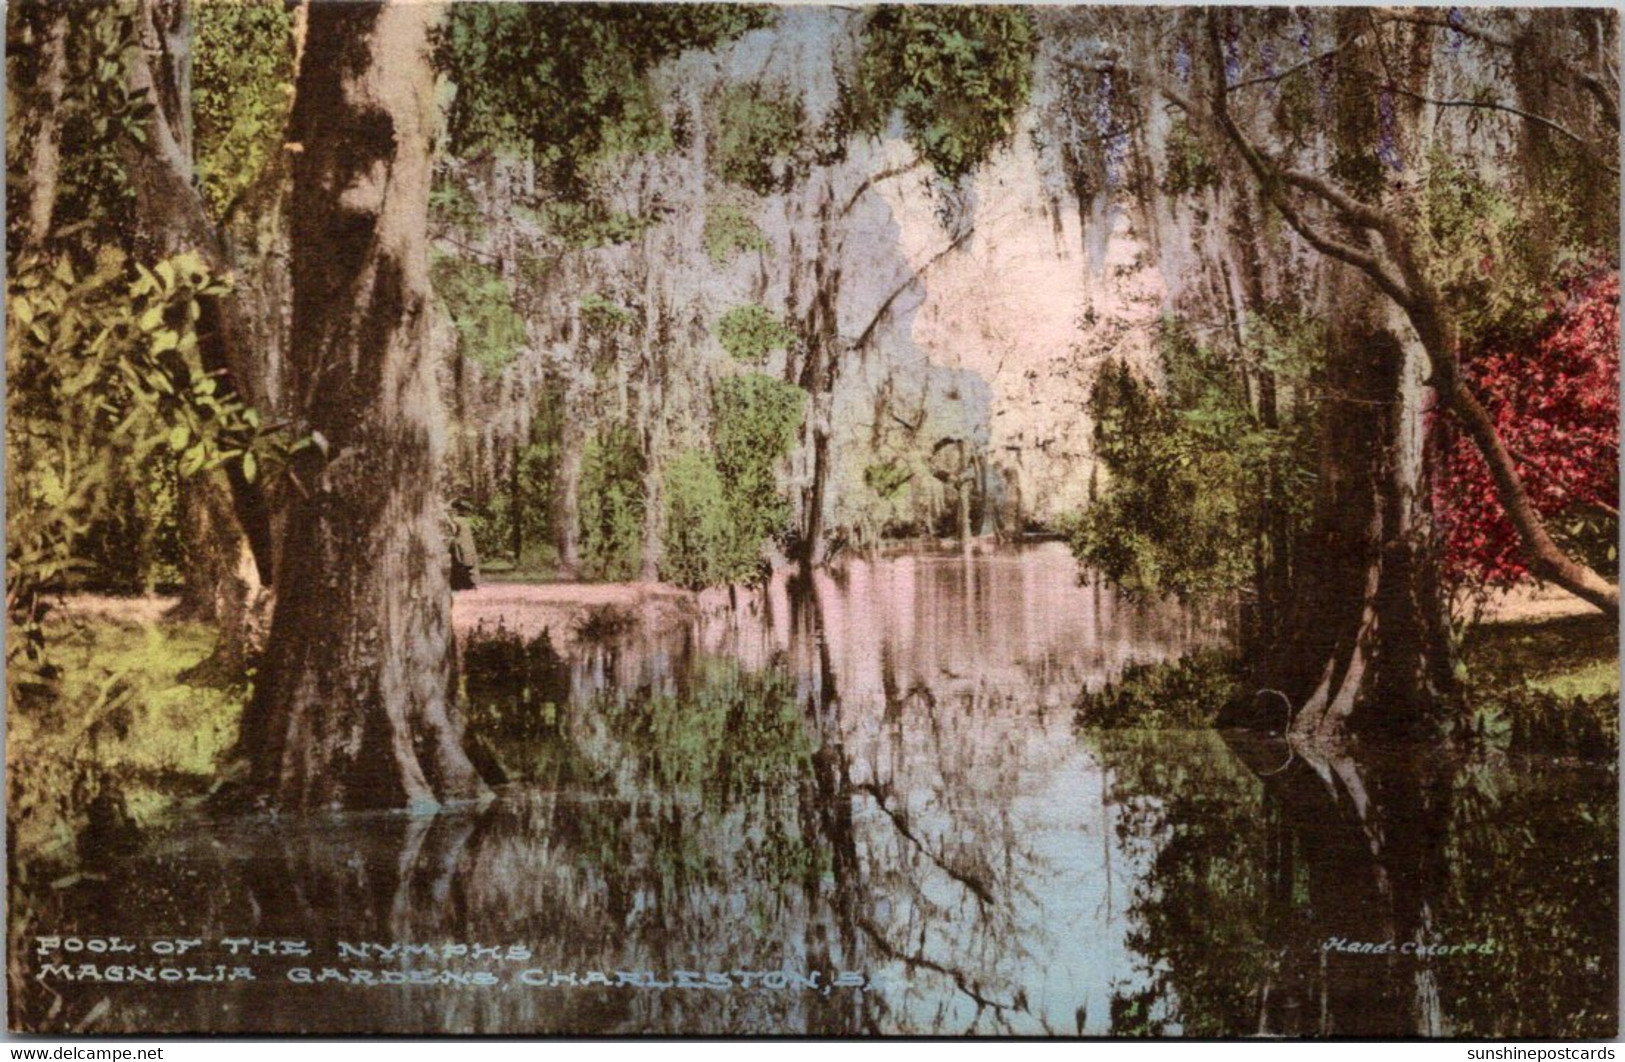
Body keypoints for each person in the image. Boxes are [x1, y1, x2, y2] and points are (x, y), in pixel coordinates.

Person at [447, 499, 480, 591]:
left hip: (461, 544)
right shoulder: (466, 521)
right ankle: (469, 583)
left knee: (459, 563)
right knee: (466, 563)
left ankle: (461, 584)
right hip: (466, 544)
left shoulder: (456, 521)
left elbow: (453, 532)